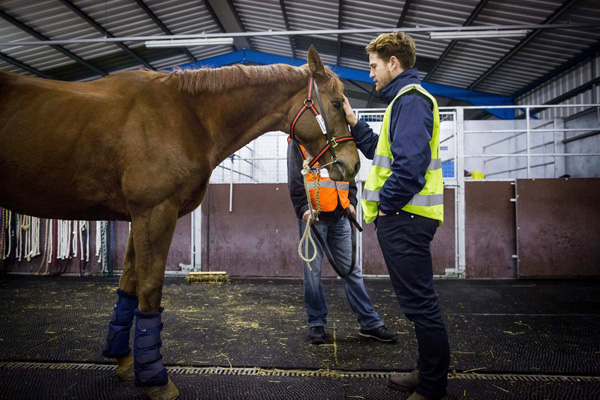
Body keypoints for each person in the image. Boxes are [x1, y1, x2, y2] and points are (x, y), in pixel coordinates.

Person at [342, 32, 449, 400]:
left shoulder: (412, 101)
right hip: (404, 217)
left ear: (393, 63)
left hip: (406, 217)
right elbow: (381, 152)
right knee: (416, 302)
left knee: (421, 303)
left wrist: (387, 203)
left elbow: (411, 166)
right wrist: (356, 123)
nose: (370, 74)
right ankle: (427, 372)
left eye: (373, 66)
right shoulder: (402, 102)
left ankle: (433, 387)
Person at [287, 138, 398, 345]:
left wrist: (352, 201)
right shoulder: (299, 142)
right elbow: (295, 177)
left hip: (341, 216)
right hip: (314, 216)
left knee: (351, 271)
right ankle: (316, 322)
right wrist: (303, 208)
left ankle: (369, 323)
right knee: (312, 274)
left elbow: (349, 174)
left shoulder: (339, 138)